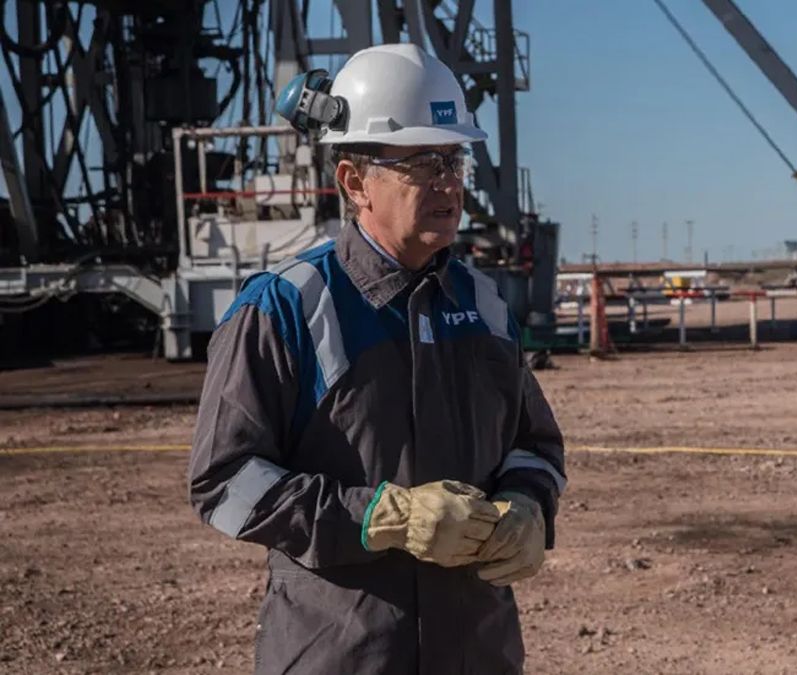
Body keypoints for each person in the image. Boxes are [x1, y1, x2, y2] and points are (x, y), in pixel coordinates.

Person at [187, 43, 566, 674]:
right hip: (343, 653)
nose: (449, 181)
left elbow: (536, 444)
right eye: (423, 161)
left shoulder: (486, 306)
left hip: (478, 651)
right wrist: (382, 518)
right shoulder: (285, 309)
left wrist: (529, 505)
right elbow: (223, 479)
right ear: (355, 181)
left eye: (454, 158)